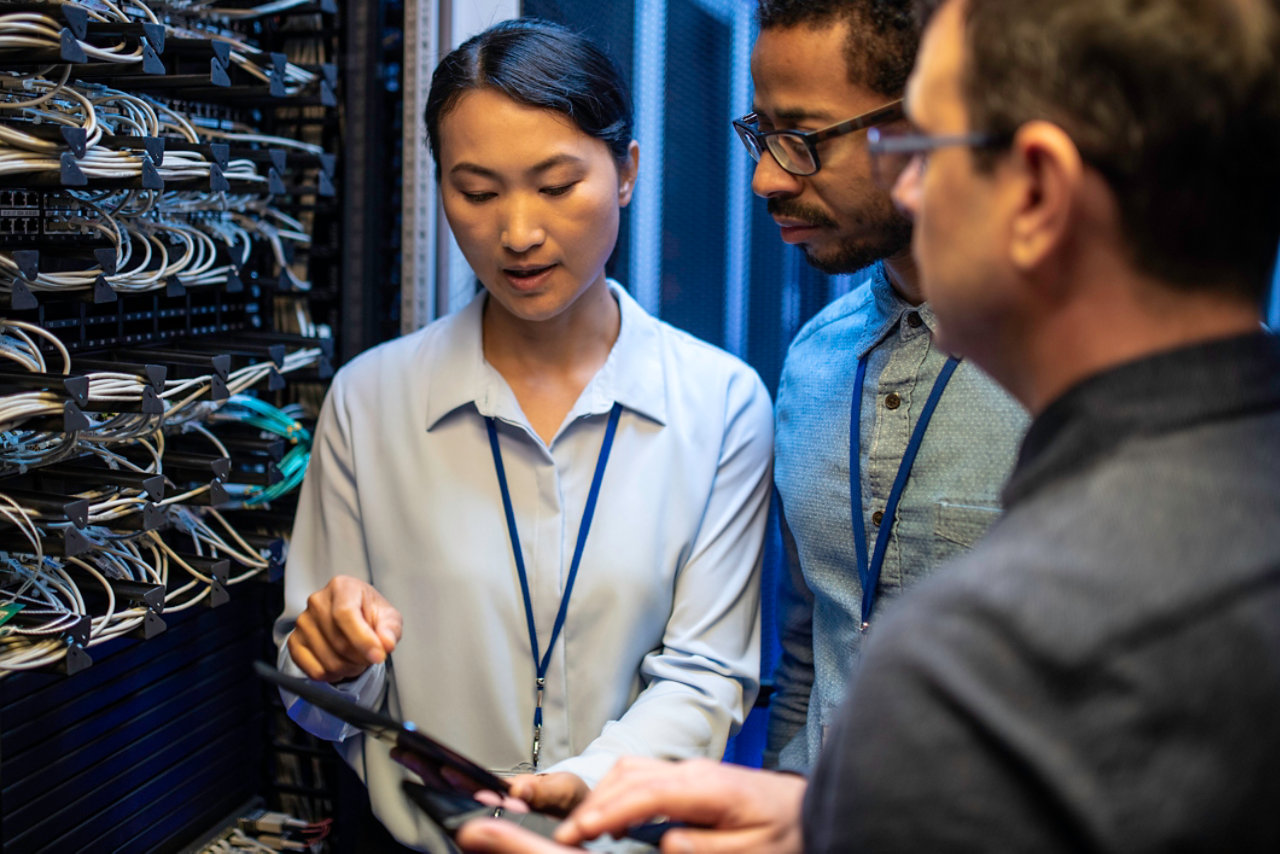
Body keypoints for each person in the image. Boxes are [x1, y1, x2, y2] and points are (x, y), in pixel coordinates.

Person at [452, 0, 1280, 850]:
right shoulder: (821, 365)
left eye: (930, 147)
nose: (910, 184)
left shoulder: (1021, 621)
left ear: (1036, 188)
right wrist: (812, 821)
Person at [272, 19, 774, 852]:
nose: (517, 233)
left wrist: (586, 782)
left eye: (554, 185)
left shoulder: (721, 406)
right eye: (477, 192)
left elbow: (709, 675)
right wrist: (331, 660)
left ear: (627, 173)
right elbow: (316, 696)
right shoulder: (372, 399)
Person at [735, 0, 1026, 771]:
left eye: (802, 140)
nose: (766, 177)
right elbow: (811, 648)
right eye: (762, 134)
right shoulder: (814, 361)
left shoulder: (1083, 374)